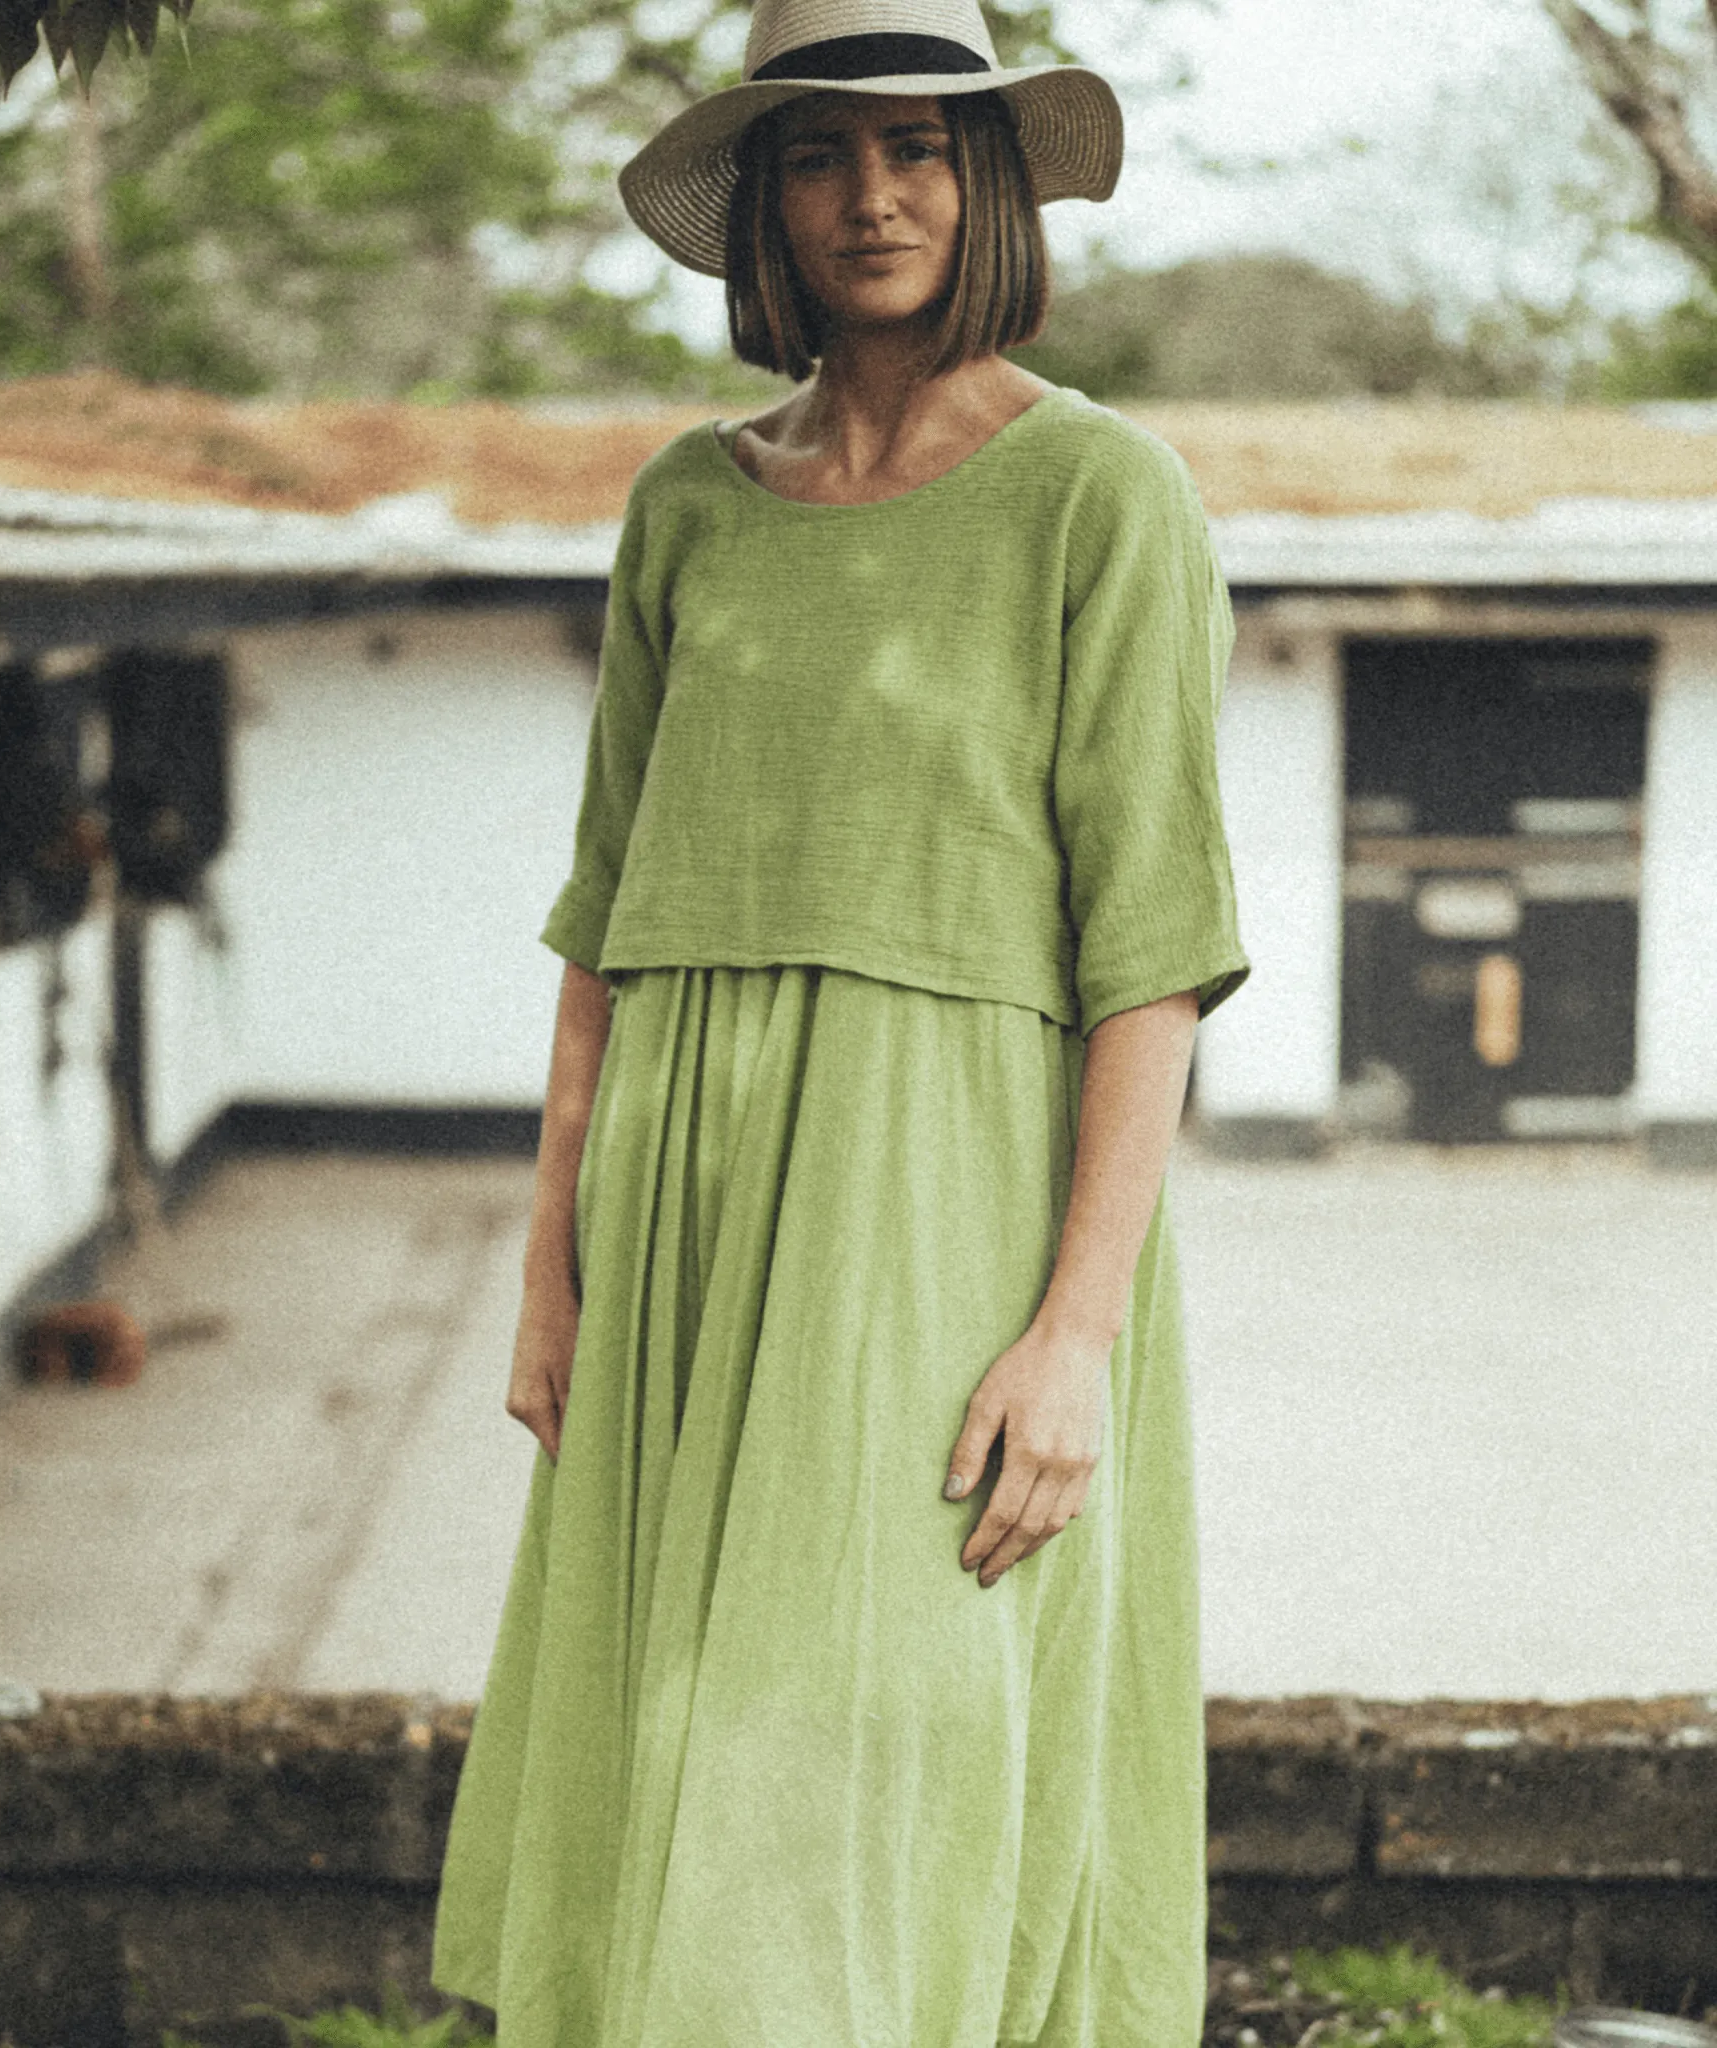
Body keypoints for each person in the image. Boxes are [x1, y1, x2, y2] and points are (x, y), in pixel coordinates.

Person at [431, 0, 1248, 2040]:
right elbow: (603, 916)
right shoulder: (685, 507)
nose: (867, 194)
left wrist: (1077, 1328)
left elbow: (1150, 952)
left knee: (891, 1742)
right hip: (684, 1213)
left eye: (914, 147)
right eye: (815, 152)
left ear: (985, 185)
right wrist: (549, 1262)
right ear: (762, 207)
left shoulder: (1101, 496)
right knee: (680, 1733)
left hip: (941, 1205)